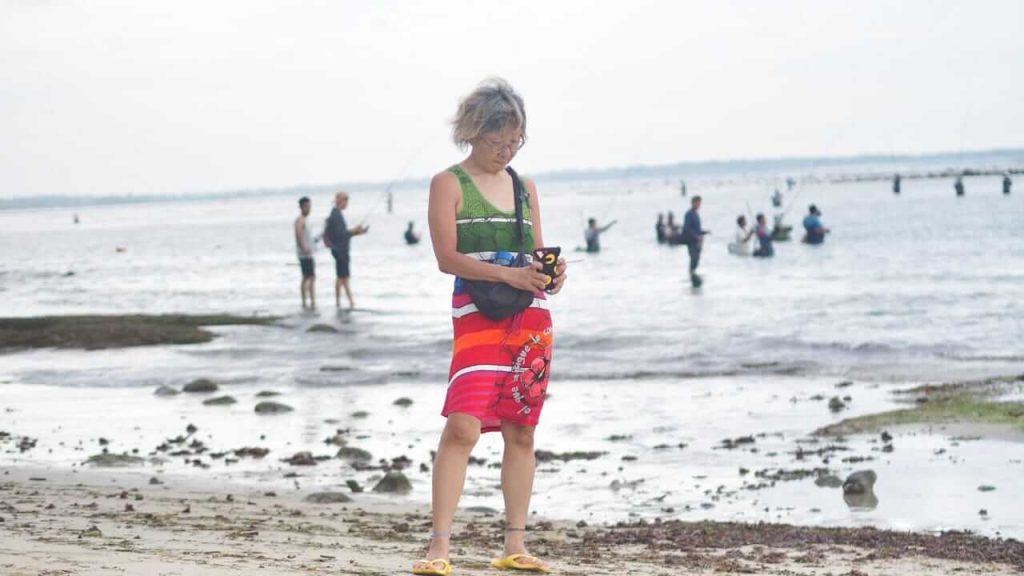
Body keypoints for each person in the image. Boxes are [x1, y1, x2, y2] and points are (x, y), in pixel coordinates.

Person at [416, 78, 566, 576]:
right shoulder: (448, 183)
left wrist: (551, 275)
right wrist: (509, 272)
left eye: (515, 142)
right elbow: (446, 258)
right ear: (473, 132)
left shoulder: (525, 187)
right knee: (463, 426)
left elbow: (534, 256)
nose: (506, 151)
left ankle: (515, 545)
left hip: (531, 316)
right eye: (498, 140)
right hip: (477, 314)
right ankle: (439, 547)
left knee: (522, 429)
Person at [322, 191, 369, 310]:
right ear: (340, 201)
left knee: (342, 277)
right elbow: (341, 234)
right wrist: (354, 231)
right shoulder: (336, 214)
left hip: (340, 250)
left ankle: (344, 302)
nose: (347, 203)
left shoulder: (336, 213)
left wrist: (358, 232)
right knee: (343, 278)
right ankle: (347, 302)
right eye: (346, 200)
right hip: (340, 251)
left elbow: (343, 234)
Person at [294, 197, 316, 309]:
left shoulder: (304, 220)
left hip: (308, 253)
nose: (309, 209)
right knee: (309, 277)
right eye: (307, 206)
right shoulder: (300, 220)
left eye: (309, 206)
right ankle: (308, 301)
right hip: (304, 254)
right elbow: (298, 235)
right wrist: (304, 248)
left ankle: (310, 301)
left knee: (310, 277)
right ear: (302, 207)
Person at [682, 195, 709, 284]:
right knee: (693, 258)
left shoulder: (696, 214)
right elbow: (687, 228)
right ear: (693, 203)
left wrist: (704, 232)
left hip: (698, 241)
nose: (699, 205)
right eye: (698, 203)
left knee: (697, 259)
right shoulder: (689, 214)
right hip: (691, 241)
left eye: (700, 203)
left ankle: (693, 273)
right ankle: (691, 274)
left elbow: (697, 229)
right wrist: (696, 236)